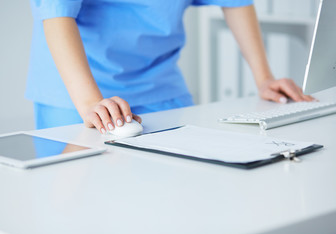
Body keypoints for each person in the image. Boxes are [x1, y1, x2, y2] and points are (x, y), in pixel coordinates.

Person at [27, 0, 313, 134]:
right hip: (78, 93)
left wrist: (264, 77)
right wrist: (90, 102)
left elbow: (235, 2)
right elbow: (57, 15)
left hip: (162, 87)